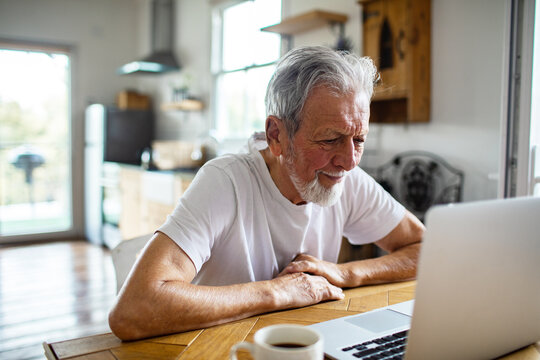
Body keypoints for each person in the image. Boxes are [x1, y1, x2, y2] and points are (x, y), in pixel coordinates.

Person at [108, 46, 425, 341]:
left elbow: (424, 248)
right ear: (277, 136)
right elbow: (133, 310)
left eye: (359, 140)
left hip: (302, 342)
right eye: (330, 139)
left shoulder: (347, 179)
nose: (349, 161)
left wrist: (345, 273)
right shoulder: (226, 182)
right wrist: (278, 292)